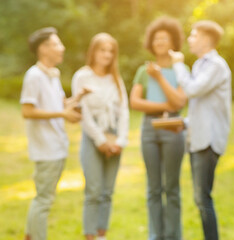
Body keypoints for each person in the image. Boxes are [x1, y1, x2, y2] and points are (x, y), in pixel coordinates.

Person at [21, 27, 88, 240]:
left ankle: (31, 236)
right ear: (44, 48)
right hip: (46, 148)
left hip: (57, 147)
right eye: (57, 44)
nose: (63, 48)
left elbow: (59, 105)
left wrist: (77, 97)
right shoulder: (35, 76)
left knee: (44, 198)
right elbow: (27, 110)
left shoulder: (52, 75)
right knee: (44, 200)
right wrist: (63, 113)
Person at [169, 20, 232, 240]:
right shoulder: (200, 65)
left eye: (193, 35)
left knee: (202, 198)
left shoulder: (216, 65)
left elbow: (193, 91)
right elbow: (203, 107)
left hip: (208, 140)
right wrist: (185, 123)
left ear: (206, 39)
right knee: (200, 199)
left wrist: (177, 64)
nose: (189, 39)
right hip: (197, 137)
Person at [129, 16, 187, 240]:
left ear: (173, 42)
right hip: (149, 128)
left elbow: (180, 102)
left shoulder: (181, 69)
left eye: (165, 38)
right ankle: (155, 235)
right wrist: (166, 104)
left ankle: (173, 236)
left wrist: (160, 77)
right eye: (156, 38)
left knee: (171, 188)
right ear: (151, 43)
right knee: (153, 188)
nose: (160, 41)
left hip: (173, 127)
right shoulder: (144, 70)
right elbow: (135, 102)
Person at [71, 33, 129, 240]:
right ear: (93, 51)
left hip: (114, 136)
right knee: (94, 191)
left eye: (110, 51)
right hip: (93, 137)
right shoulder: (82, 76)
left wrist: (121, 140)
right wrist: (100, 140)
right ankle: (90, 235)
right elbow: (83, 113)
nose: (106, 55)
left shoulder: (115, 78)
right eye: (102, 50)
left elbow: (123, 110)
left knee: (107, 192)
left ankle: (102, 234)